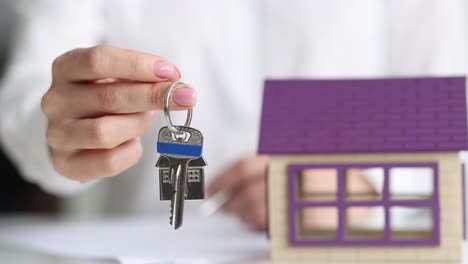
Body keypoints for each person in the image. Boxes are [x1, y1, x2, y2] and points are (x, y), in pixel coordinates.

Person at [0, 0, 465, 231]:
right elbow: (28, 95)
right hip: (143, 240)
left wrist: (370, 190)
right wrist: (62, 129)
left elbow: (455, 125)